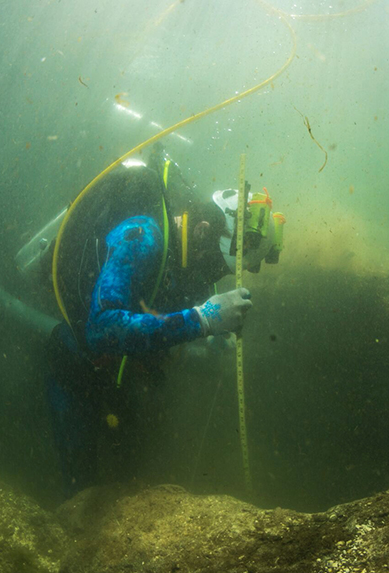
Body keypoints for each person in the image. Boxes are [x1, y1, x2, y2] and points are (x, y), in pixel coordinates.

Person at [44, 144, 284, 496]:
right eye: (218, 265)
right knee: (82, 497)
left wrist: (212, 336)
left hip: (117, 381)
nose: (214, 276)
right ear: (203, 231)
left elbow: (177, 307)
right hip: (76, 372)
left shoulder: (189, 260)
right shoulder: (143, 235)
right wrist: (203, 320)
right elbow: (100, 327)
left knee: (129, 481)